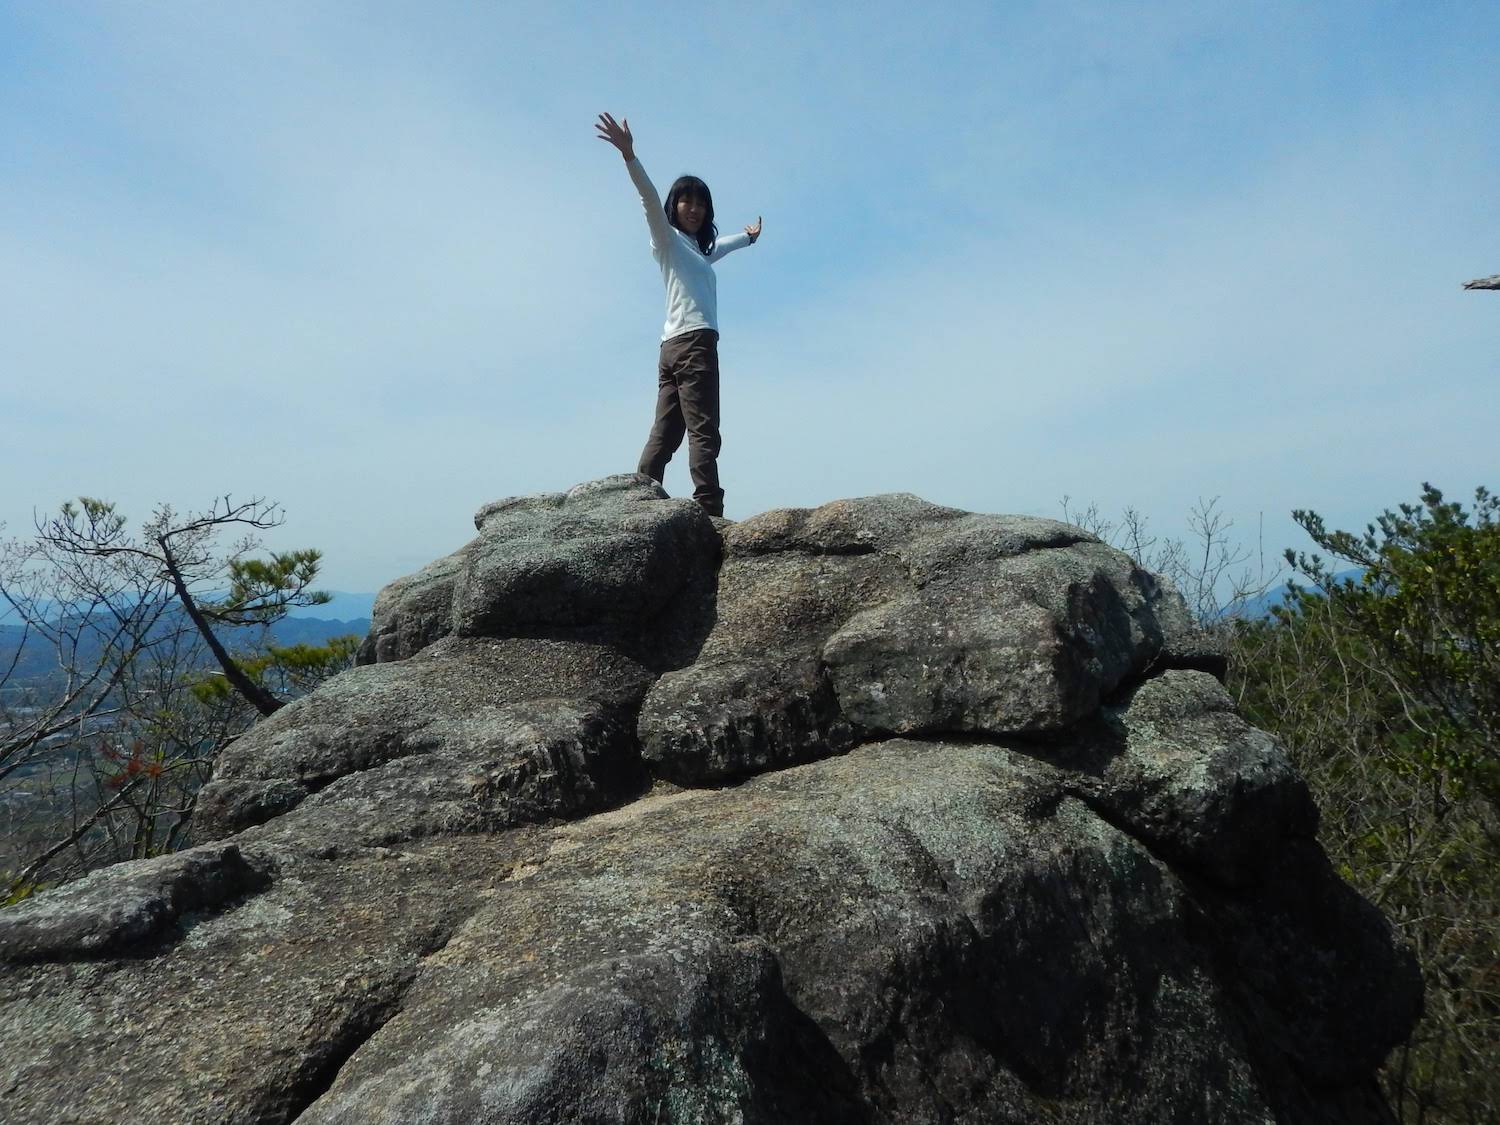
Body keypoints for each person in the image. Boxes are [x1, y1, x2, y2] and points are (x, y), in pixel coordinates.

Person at [595, 111, 762, 519]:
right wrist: (630, 157)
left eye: (701, 202)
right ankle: (710, 510)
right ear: (675, 205)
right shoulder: (667, 239)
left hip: (670, 347)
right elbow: (649, 199)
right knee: (704, 428)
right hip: (694, 345)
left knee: (666, 433)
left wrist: (748, 239)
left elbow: (716, 249)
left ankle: (634, 502)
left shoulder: (694, 250)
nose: (694, 207)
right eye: (687, 199)